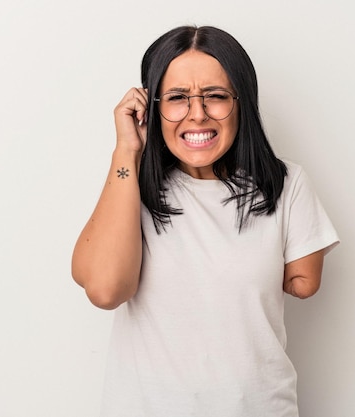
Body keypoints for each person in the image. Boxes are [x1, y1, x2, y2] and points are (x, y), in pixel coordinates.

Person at [71, 25, 339, 417]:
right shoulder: (130, 189)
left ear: (241, 102)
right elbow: (106, 290)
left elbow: (305, 282)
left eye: (215, 97)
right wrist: (126, 151)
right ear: (152, 107)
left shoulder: (286, 182)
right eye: (178, 98)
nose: (197, 114)